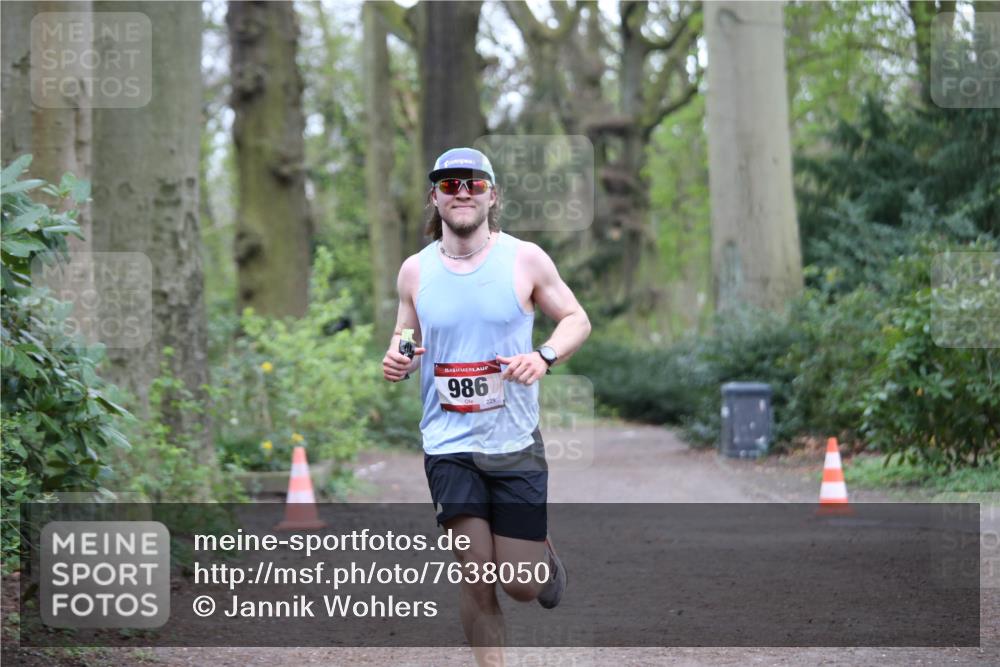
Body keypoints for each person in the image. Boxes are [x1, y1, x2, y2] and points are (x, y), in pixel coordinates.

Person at [382, 147, 591, 665]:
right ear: (435, 196)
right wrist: (398, 358)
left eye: (473, 184)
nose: (462, 193)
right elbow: (405, 339)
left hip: (513, 441)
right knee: (477, 578)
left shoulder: (525, 259)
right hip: (448, 444)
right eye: (449, 185)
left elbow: (576, 320)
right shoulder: (415, 271)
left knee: (520, 584)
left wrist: (543, 357)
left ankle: (539, 557)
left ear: (491, 195)